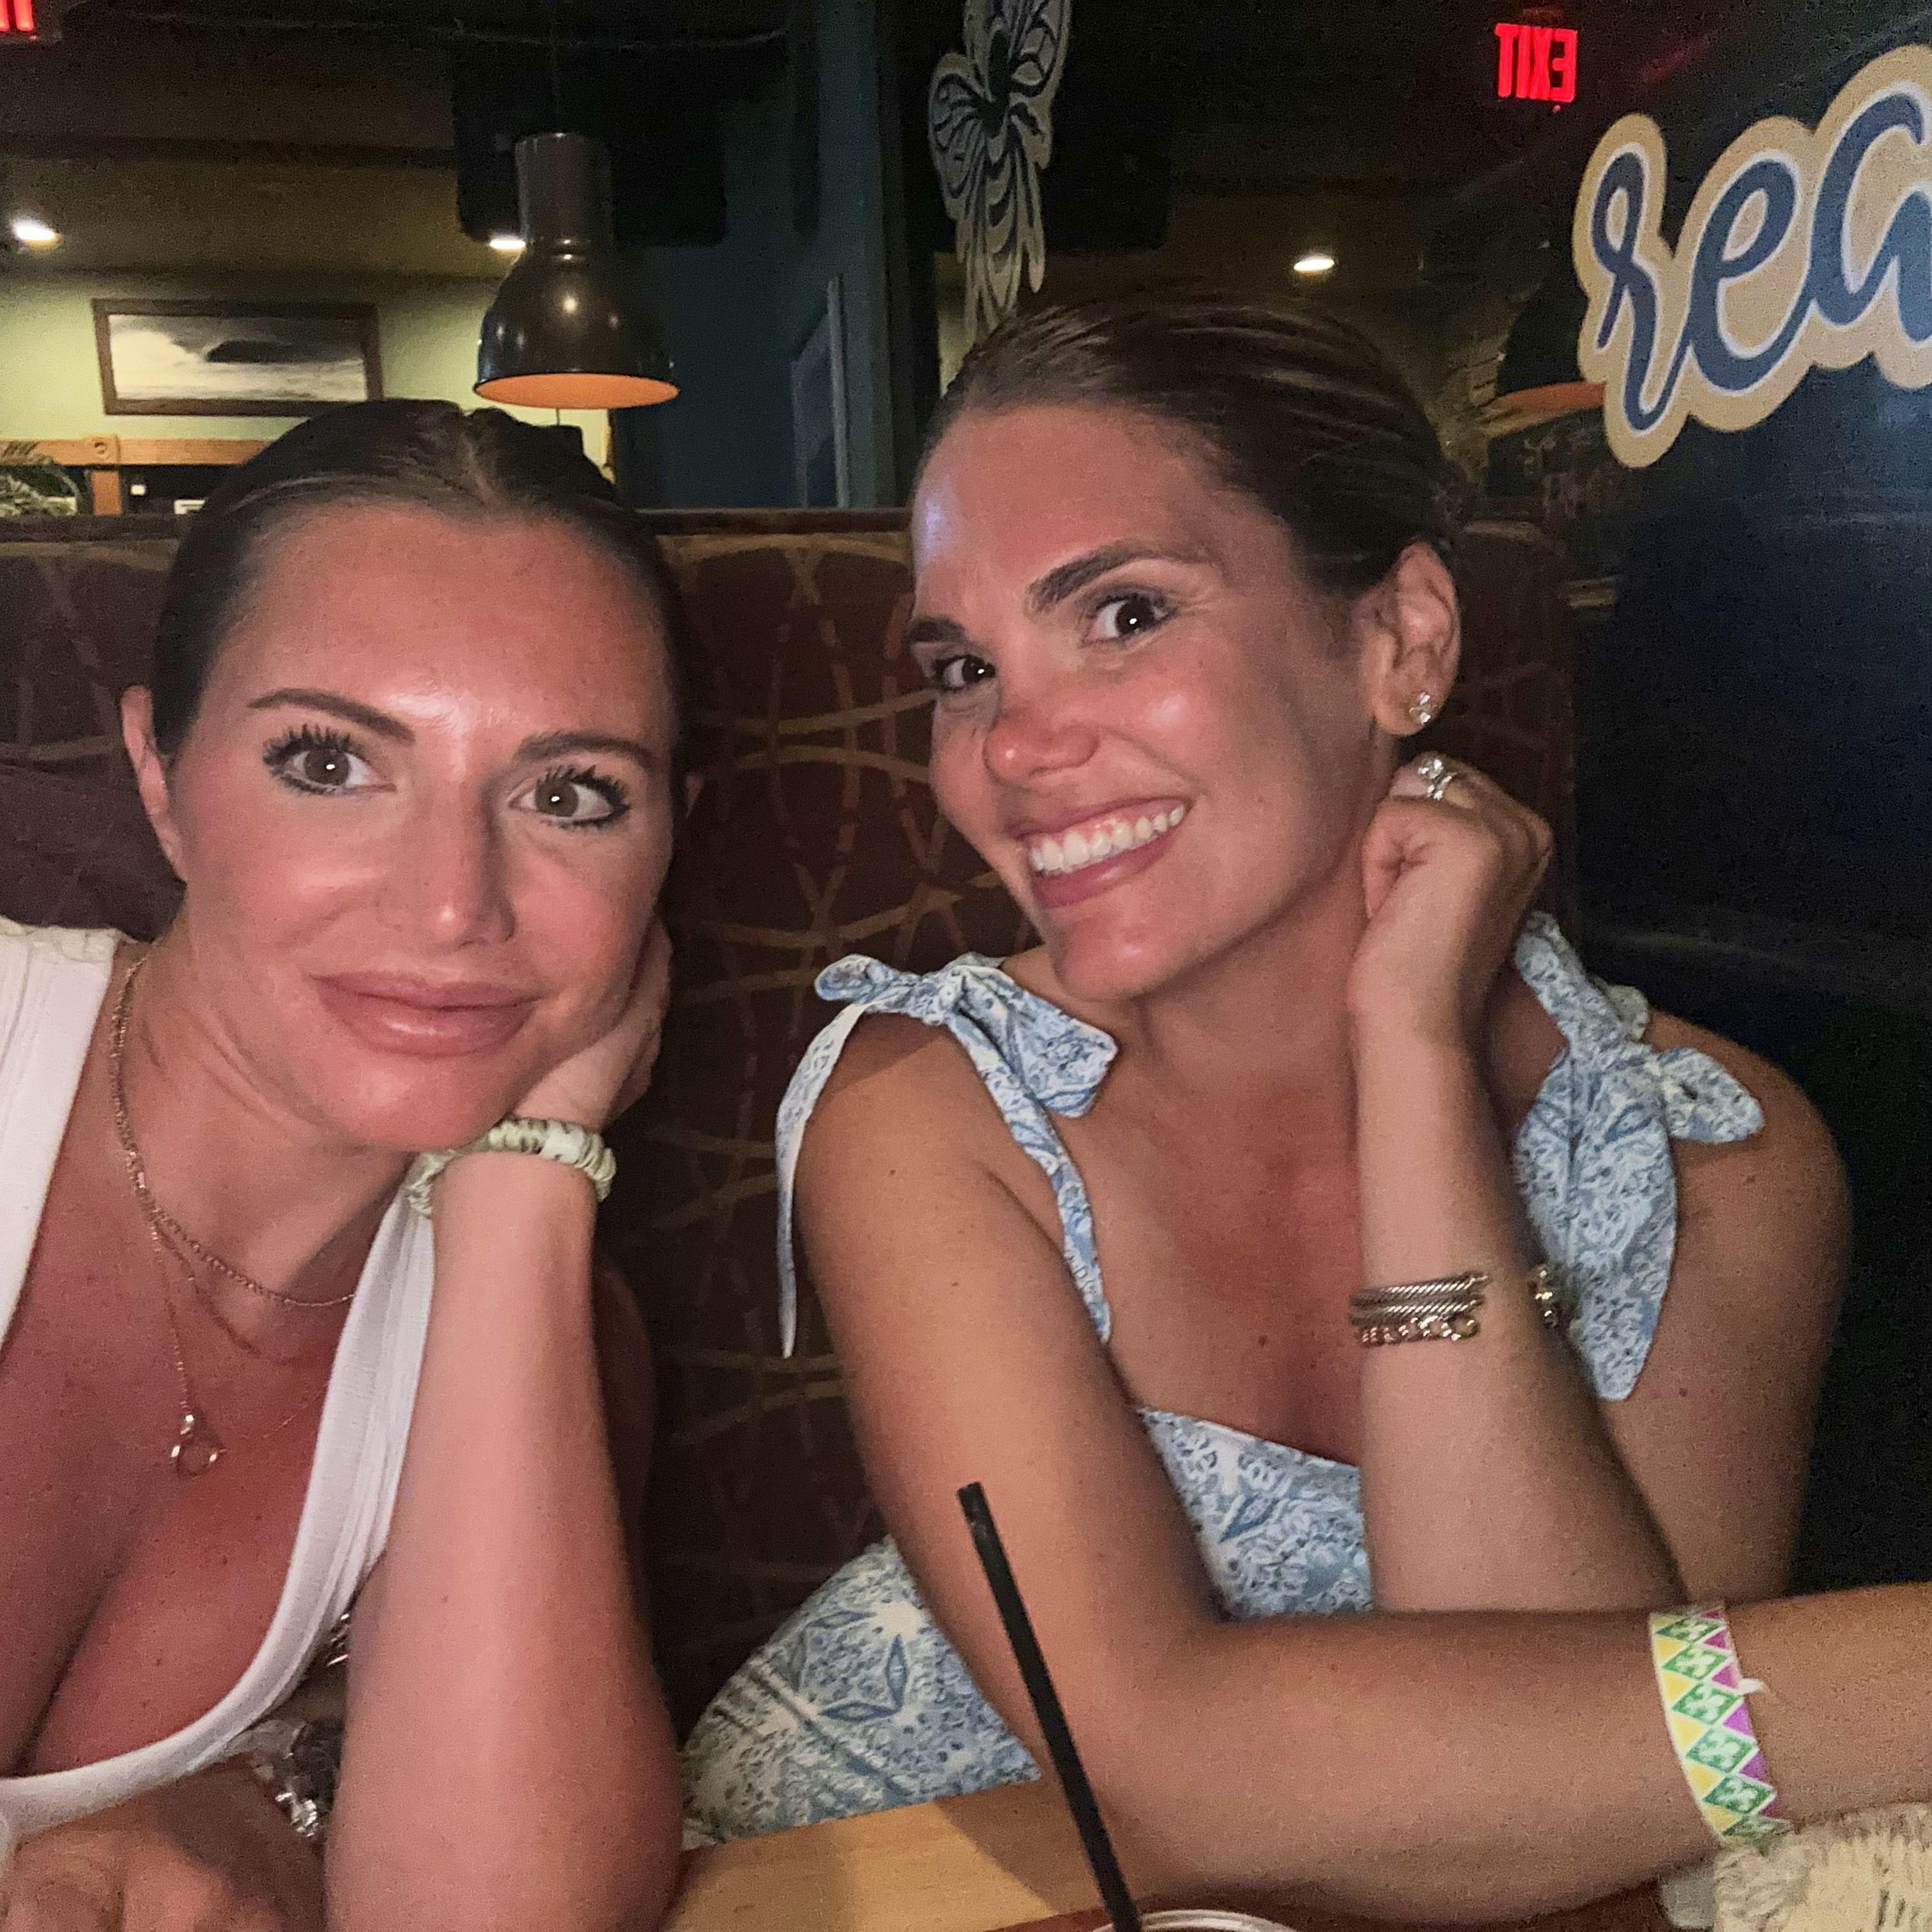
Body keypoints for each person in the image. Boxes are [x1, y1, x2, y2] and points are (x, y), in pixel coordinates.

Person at [682, 296, 1855, 1884]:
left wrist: (1413, 1054)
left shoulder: (1716, 1156)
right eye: (964, 669)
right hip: (872, 1886)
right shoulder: (934, 1111)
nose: (1009, 749)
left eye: (1123, 615)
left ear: (1401, 641)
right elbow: (1172, 1770)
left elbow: (1589, 1816)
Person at [0, 402, 686, 1931]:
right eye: (328, 762)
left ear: (664, 848)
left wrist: (528, 1177)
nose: (453, 907)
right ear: (161, 774)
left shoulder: (552, 1341)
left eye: (569, 796)